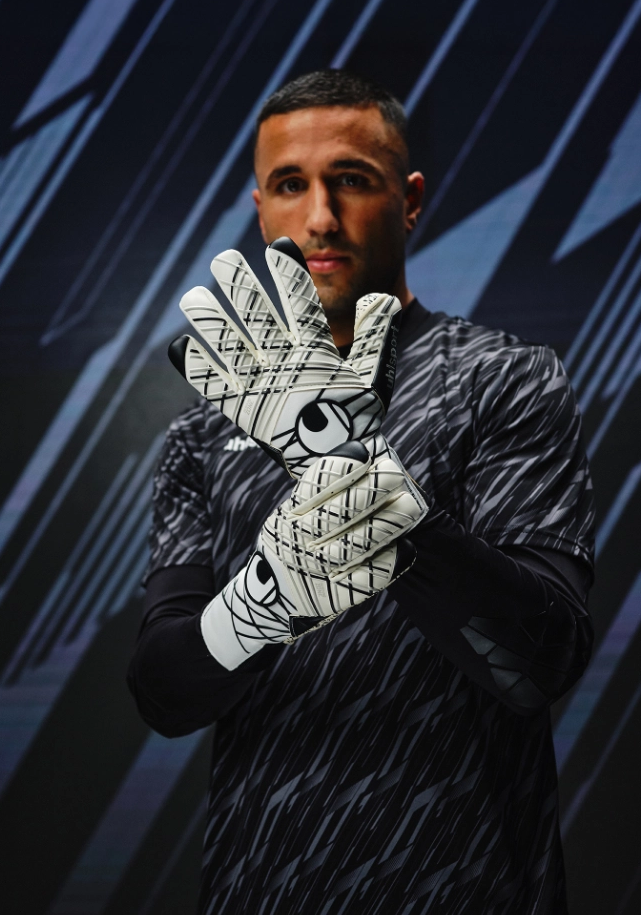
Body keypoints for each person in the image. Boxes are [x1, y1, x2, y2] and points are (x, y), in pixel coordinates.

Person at [127, 69, 595, 913]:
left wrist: (375, 503)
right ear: (260, 209)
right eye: (289, 185)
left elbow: (539, 663)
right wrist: (257, 607)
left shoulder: (505, 381)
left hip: (470, 890)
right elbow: (163, 691)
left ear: (409, 200)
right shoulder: (201, 436)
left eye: (350, 179)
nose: (320, 218)